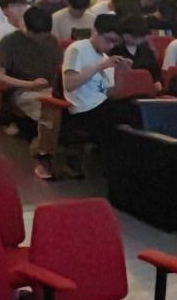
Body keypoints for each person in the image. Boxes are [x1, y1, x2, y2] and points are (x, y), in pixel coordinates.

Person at [43, 14, 134, 180]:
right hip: (82, 109)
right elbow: (70, 84)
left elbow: (110, 93)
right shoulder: (77, 49)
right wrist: (99, 67)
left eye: (115, 42)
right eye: (108, 40)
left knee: (135, 109)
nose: (110, 45)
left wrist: (122, 74)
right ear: (95, 32)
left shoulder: (106, 59)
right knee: (122, 117)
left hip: (101, 105)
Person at [0, 7, 60, 140]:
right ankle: (42, 141)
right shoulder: (10, 42)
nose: (40, 39)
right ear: (26, 27)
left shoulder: (52, 41)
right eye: (36, 35)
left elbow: (58, 67)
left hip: (48, 88)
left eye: (44, 36)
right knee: (45, 108)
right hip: (21, 90)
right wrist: (29, 84)